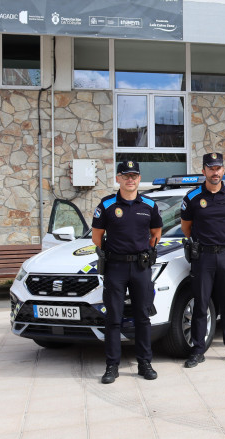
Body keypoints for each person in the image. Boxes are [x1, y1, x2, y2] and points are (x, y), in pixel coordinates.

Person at [92, 160, 162, 384]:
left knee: (143, 317)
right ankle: (112, 366)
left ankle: (145, 363)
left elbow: (156, 232)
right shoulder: (107, 204)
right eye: (126, 175)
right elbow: (97, 236)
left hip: (141, 268)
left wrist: (147, 251)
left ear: (139, 179)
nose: (130, 179)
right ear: (118, 178)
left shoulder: (149, 205)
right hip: (116, 268)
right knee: (113, 317)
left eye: (134, 175)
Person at [180, 152, 225, 366]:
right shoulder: (192, 198)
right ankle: (198, 350)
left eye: (218, 168)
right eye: (211, 168)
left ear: (223, 170)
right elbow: (186, 228)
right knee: (201, 304)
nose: (215, 172)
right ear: (204, 171)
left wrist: (224, 241)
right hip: (203, 257)